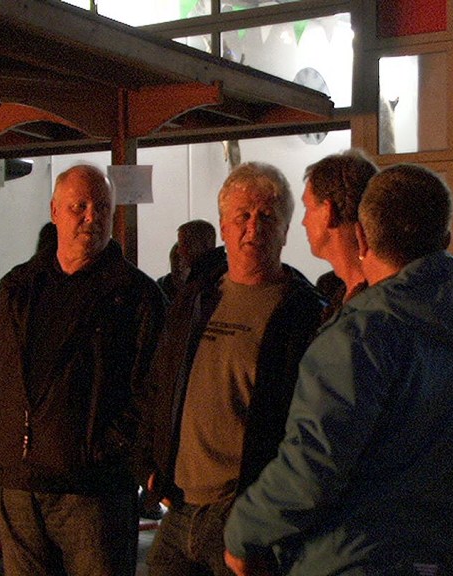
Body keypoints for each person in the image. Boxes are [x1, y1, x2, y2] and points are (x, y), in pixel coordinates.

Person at [223, 164, 453, 575]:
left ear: (363, 237)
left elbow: (312, 467)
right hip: (440, 550)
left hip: (352, 556)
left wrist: (244, 532)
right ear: (445, 241)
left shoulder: (357, 335)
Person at [0, 164, 165, 576]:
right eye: (80, 206)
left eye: (102, 207)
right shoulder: (18, 288)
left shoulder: (135, 296)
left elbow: (155, 389)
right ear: (55, 211)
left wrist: (106, 449)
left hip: (94, 490)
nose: (92, 217)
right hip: (20, 484)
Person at [134, 162, 325, 576]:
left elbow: (305, 425)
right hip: (179, 505)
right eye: (242, 216)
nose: (253, 228)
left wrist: (262, 507)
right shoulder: (196, 299)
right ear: (223, 227)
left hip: (243, 514)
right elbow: (158, 384)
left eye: (267, 217)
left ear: (285, 231)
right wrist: (148, 463)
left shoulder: (302, 313)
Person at [300, 149, 379, 315]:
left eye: (307, 208)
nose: (304, 222)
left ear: (327, 212)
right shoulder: (329, 290)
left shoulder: (376, 303)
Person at [157, 219, 218, 300]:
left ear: (205, 244)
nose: (179, 251)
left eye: (185, 244)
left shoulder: (215, 280)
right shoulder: (203, 277)